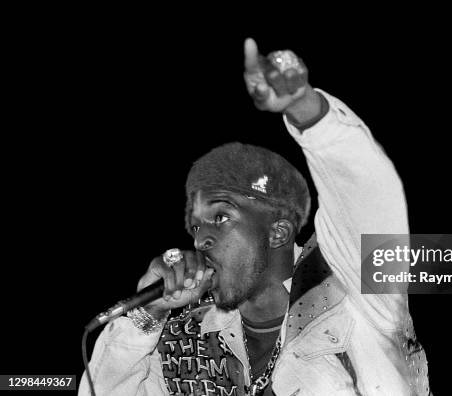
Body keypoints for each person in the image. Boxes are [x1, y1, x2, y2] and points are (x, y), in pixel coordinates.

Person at [79, 38, 431, 396]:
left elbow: (364, 192)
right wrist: (148, 315)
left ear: (277, 232)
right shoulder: (183, 335)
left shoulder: (349, 289)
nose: (201, 240)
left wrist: (306, 108)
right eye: (197, 226)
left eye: (221, 218)